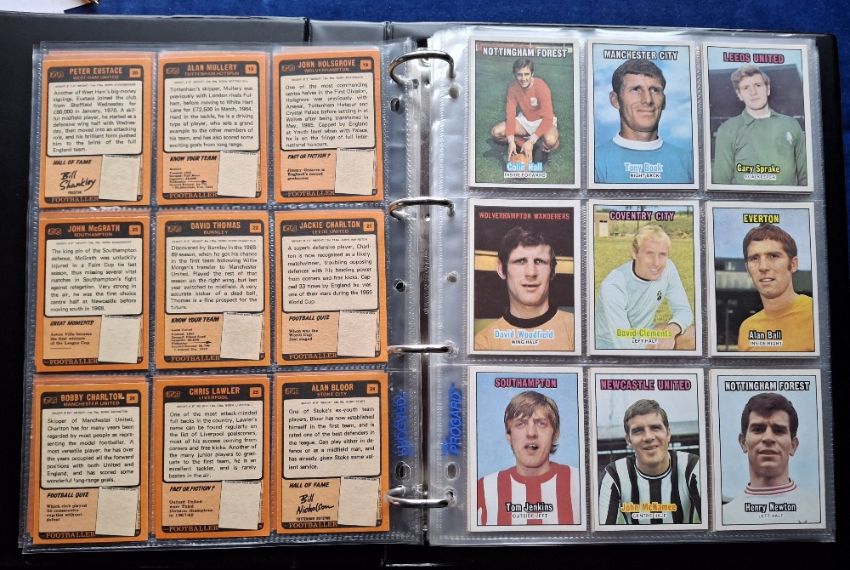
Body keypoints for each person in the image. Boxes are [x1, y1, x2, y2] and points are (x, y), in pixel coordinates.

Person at [477, 391, 581, 526]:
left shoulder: (580, 482)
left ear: (555, 434)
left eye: (541, 423)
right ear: (509, 435)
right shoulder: (483, 489)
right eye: (521, 424)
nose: (531, 433)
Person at [598, 399, 701, 525]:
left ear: (668, 433)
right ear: (629, 440)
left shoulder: (692, 467)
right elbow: (604, 532)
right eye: (638, 430)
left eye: (655, 428)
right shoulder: (614, 475)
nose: (648, 437)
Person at [722, 393, 821, 524]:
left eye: (779, 430)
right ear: (743, 442)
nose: (768, 438)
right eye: (758, 429)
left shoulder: (819, 512)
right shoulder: (724, 517)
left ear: (793, 445)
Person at [474, 226, 575, 351]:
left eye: (539, 261)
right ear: (501, 269)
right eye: (521, 261)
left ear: (552, 271)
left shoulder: (576, 329)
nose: (531, 273)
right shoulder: (484, 343)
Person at [595, 224, 695, 350]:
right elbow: (624, 344)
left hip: (645, 332)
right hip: (611, 344)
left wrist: (671, 331)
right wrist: (656, 343)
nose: (656, 263)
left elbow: (684, 311)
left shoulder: (668, 268)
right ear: (635, 253)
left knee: (693, 336)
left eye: (662, 254)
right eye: (649, 254)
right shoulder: (613, 285)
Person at [594, 59, 693, 184]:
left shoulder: (688, 161)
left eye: (654, 90)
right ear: (615, 100)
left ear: (664, 101)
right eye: (636, 89)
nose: (647, 100)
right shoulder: (595, 162)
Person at [712, 64, 807, 186]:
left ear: (767, 89)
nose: (753, 92)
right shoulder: (727, 129)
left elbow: (806, 177)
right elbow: (721, 182)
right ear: (739, 95)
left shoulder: (791, 124)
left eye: (758, 85)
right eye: (746, 88)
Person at [737, 223, 814, 351]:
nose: (763, 267)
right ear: (747, 269)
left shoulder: (816, 314)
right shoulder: (747, 328)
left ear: (793, 264)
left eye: (773, 256)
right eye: (754, 258)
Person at [490, 58, 560, 163]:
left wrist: (531, 141)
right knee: (496, 132)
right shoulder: (513, 87)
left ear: (532, 74)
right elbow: (510, 115)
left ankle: (541, 146)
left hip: (543, 120)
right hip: (525, 120)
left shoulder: (541, 86)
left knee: (551, 141)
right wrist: (511, 141)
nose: (523, 79)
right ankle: (520, 142)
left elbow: (548, 118)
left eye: (526, 74)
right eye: (519, 74)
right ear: (515, 75)